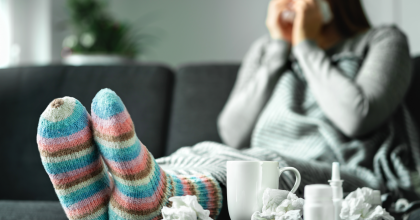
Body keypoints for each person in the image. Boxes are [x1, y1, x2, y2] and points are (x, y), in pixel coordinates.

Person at [36, 0, 420, 219]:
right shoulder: (266, 52)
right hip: (254, 158)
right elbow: (231, 131)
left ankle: (158, 197)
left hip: (344, 175)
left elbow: (356, 117)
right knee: (198, 150)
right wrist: (276, 54)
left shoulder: (383, 41)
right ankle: (117, 203)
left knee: (260, 161)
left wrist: (305, 45)